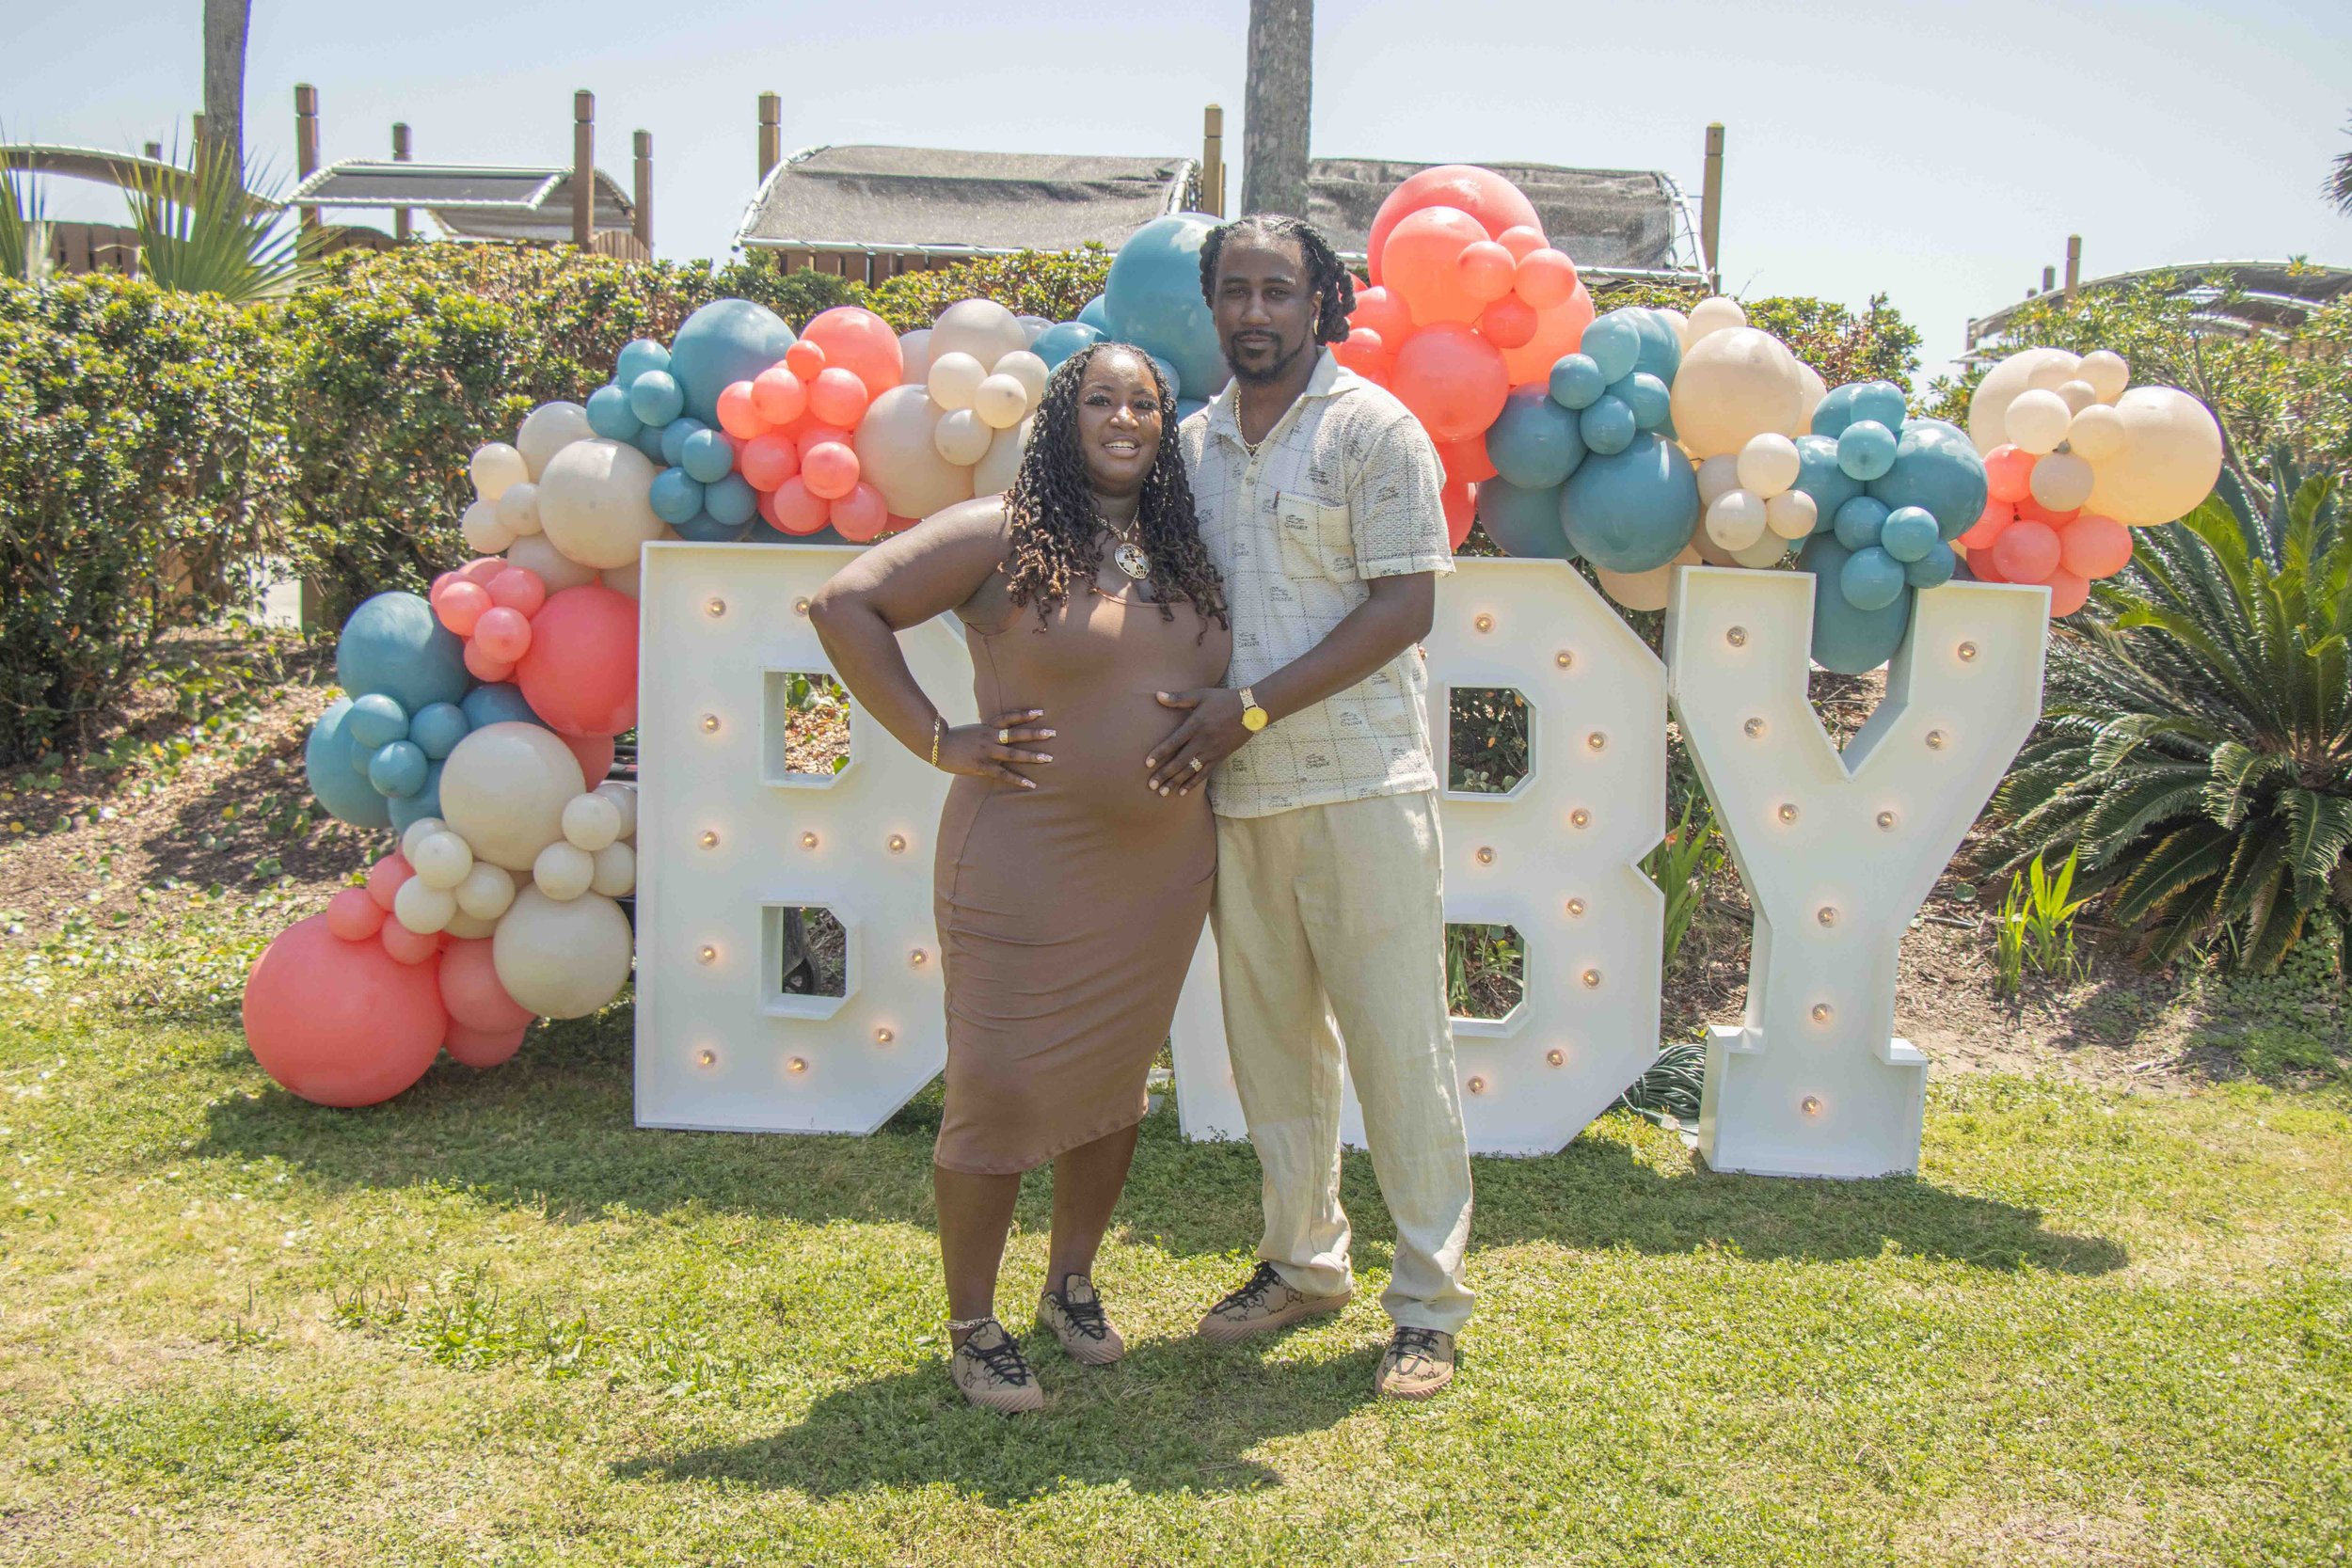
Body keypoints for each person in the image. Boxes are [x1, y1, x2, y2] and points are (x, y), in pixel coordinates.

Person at [809, 342, 1230, 1414]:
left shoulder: (1184, 546)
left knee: (1115, 1078)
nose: (1125, 417)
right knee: (997, 1083)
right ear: (1062, 415)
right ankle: (971, 1325)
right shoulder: (1002, 530)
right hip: (1022, 861)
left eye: (1145, 400)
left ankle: (1071, 1282)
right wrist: (937, 737)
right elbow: (844, 604)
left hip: (1160, 867)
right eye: (1102, 398)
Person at [1152, 214, 1475, 1401]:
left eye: (1276, 290)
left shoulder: (1371, 429)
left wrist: (1247, 707)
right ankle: (1303, 1261)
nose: (1253, 311)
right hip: (1237, 797)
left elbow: (1403, 608)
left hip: (1359, 783)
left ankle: (1429, 1304)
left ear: (1319, 301)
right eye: (1232, 290)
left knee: (1400, 1046)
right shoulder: (1187, 447)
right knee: (1271, 1049)